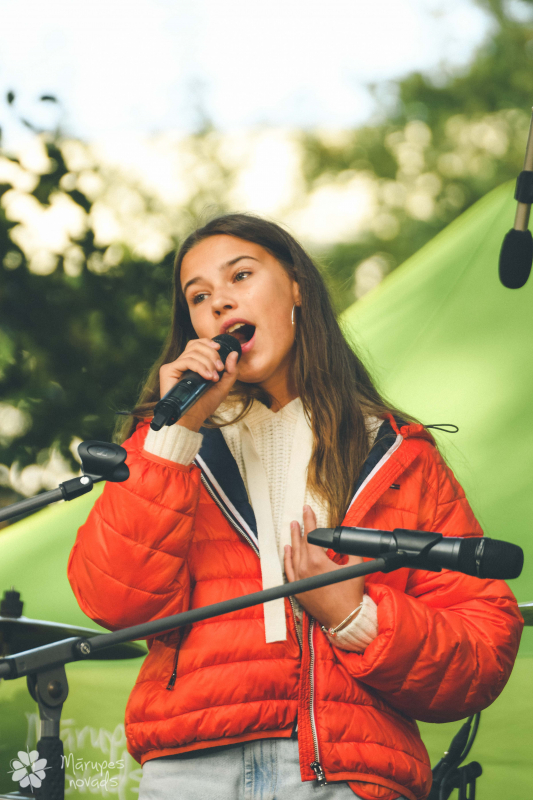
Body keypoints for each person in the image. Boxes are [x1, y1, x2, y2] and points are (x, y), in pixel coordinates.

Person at [67, 213, 523, 800]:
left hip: (350, 773)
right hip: (192, 770)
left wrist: (354, 617)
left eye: (241, 276)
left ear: (297, 289)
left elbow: (481, 652)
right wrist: (173, 436)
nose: (220, 304)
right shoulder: (168, 448)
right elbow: (116, 604)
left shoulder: (398, 455)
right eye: (200, 296)